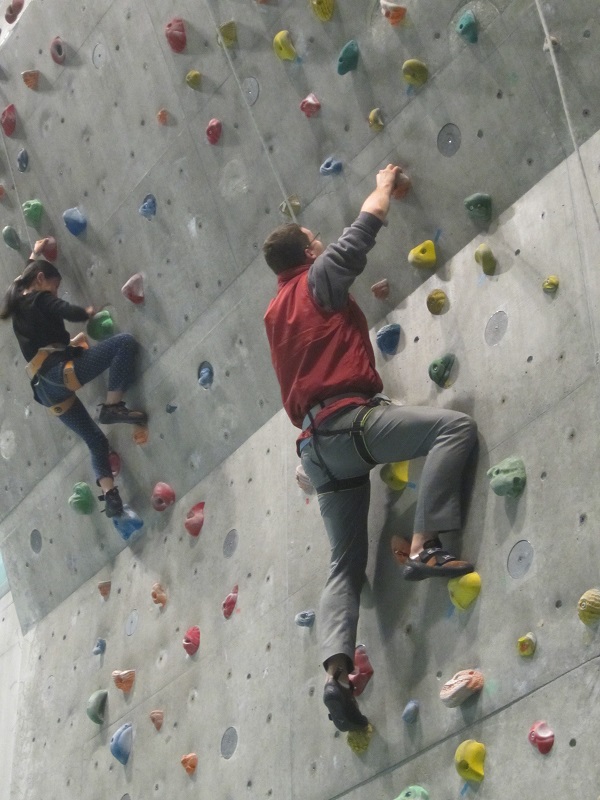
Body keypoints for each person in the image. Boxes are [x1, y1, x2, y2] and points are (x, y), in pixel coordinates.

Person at [263, 165, 478, 733]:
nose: (321, 244)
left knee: (343, 565)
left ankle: (336, 677)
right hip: (349, 424)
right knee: (452, 430)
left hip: (314, 449)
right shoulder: (317, 281)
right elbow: (363, 230)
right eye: (314, 242)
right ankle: (430, 543)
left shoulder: (273, 313)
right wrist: (385, 183)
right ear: (307, 254)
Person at [0, 253, 148, 518]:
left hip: (46, 391)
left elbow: (28, 277)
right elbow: (63, 309)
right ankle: (112, 406)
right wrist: (87, 312)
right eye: (54, 287)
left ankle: (111, 498)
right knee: (124, 343)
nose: (54, 293)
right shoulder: (41, 298)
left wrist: (34, 253)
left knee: (95, 440)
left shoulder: (20, 302)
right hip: (59, 373)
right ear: (41, 280)